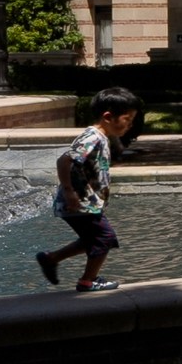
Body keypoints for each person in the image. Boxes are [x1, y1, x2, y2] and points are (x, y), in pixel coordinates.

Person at [35, 86, 140, 292]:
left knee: (92, 239)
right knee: (105, 238)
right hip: (78, 202)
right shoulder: (93, 137)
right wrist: (69, 191)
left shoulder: (100, 137)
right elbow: (64, 161)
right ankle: (88, 281)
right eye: (128, 119)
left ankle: (51, 258)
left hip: (85, 202)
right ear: (108, 117)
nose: (130, 125)